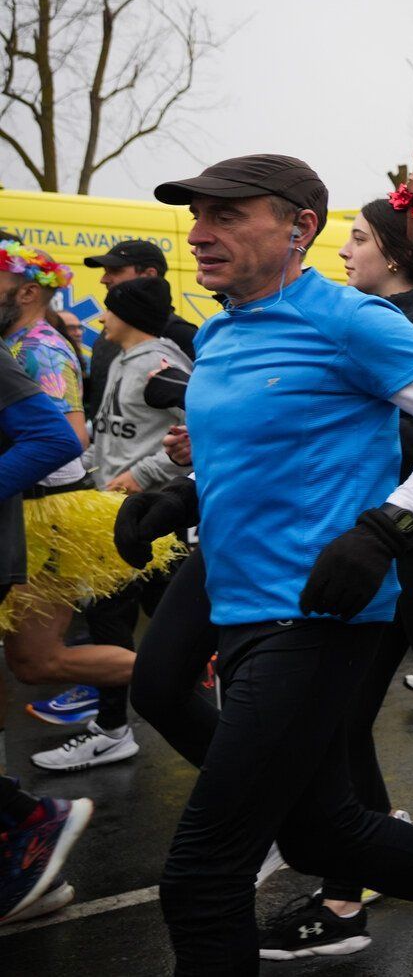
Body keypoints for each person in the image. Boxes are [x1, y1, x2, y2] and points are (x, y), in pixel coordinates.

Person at [148, 153, 413, 976]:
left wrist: (386, 525)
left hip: (314, 612)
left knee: (201, 873)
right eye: (197, 216)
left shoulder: (350, 318)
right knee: (318, 829)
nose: (201, 234)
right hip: (234, 598)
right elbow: (262, 445)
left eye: (228, 216)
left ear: (299, 228)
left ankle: (247, 802)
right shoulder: (224, 327)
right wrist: (184, 491)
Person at [30, 277, 196, 774]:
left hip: (146, 514)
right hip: (111, 511)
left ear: (132, 315)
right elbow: (107, 436)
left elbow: (205, 428)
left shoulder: (159, 365)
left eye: (110, 309)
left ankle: (116, 730)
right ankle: (125, 724)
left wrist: (141, 477)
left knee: (112, 621)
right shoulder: (121, 360)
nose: (102, 317)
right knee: (146, 621)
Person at [0, 242, 172, 696]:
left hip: (46, 516)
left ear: (28, 293)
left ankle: (184, 669)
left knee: (39, 659)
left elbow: (69, 437)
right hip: (29, 509)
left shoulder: (39, 347)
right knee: (28, 660)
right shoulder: (17, 343)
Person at [0, 347, 96, 926]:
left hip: (63, 519)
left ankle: (29, 818)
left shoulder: (39, 348)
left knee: (40, 660)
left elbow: (58, 439)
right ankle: (24, 854)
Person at [80, 238, 199, 414]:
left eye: (114, 270)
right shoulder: (115, 329)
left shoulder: (179, 333)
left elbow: (195, 404)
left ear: (149, 274)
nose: (104, 279)